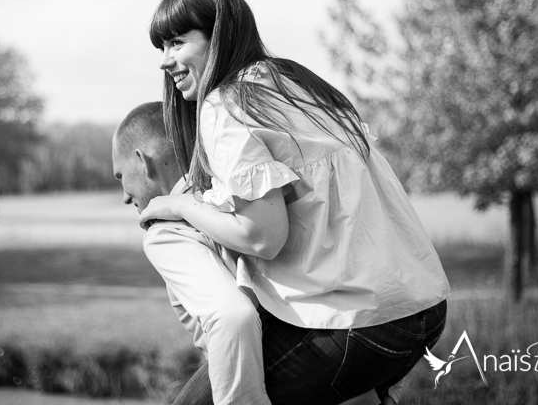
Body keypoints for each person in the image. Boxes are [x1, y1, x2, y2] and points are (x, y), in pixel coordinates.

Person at [137, 0, 451, 405]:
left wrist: (181, 205)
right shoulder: (299, 85)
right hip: (421, 309)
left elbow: (262, 236)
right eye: (162, 47)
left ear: (220, 37)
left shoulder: (225, 103)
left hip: (356, 323)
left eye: (176, 42)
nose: (166, 60)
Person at [112, 102, 383, 405]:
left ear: (143, 161)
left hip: (262, 365)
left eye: (120, 176)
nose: (124, 196)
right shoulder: (246, 195)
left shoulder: (165, 232)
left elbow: (233, 318)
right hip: (335, 346)